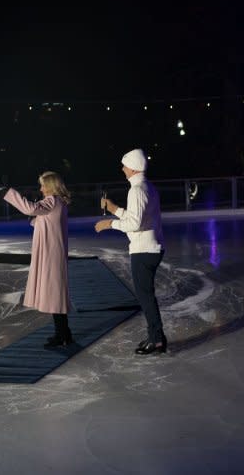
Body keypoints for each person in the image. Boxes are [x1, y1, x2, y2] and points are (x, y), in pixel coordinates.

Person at [94, 148, 167, 355]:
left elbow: (134, 223)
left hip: (144, 250)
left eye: (125, 165)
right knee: (146, 296)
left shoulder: (136, 190)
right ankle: (156, 336)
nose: (122, 168)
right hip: (150, 247)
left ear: (133, 168)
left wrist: (110, 224)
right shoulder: (147, 187)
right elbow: (138, 217)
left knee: (145, 297)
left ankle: (157, 339)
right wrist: (114, 209)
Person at [3, 171, 73, 348]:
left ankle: (62, 335)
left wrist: (9, 193)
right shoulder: (59, 202)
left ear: (50, 186)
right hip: (52, 252)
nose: (41, 189)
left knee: (55, 293)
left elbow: (30, 208)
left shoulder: (52, 200)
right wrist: (35, 220)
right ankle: (64, 333)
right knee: (55, 292)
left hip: (51, 253)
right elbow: (47, 220)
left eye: (43, 185)